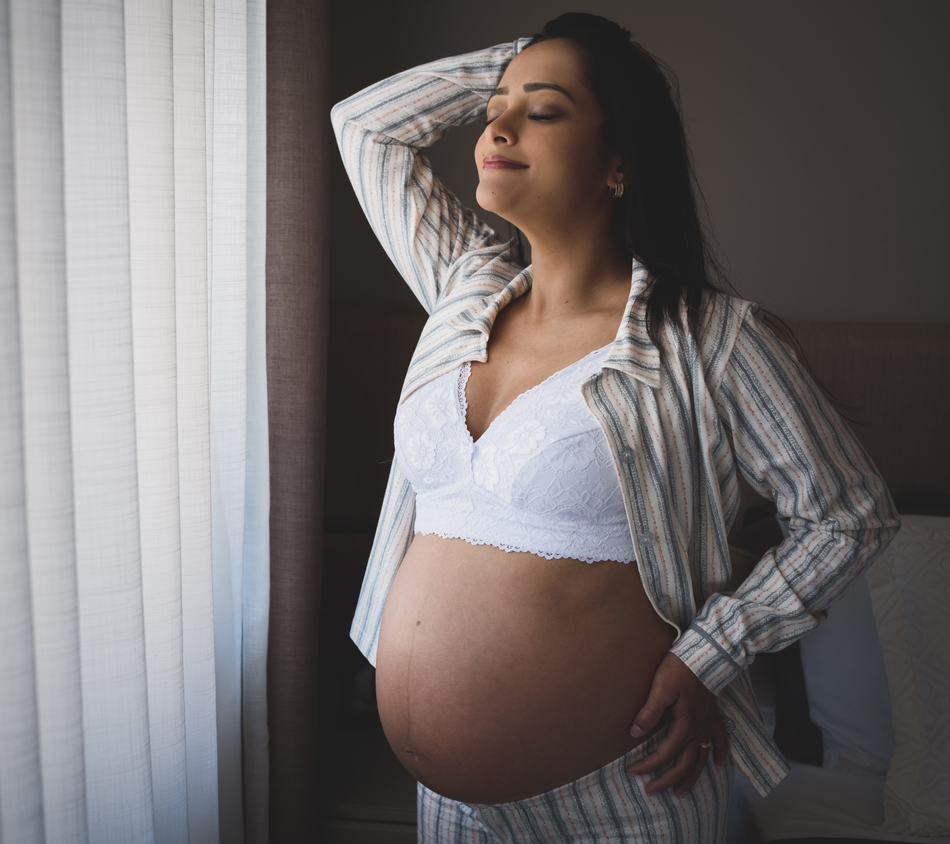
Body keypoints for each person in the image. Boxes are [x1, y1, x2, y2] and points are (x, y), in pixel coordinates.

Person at [329, 11, 900, 844]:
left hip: (619, 796)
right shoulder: (463, 285)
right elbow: (364, 126)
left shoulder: (710, 340)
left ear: (621, 161)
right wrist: (524, 58)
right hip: (448, 809)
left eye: (545, 109)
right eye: (497, 103)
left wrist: (712, 653)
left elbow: (850, 514)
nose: (499, 122)